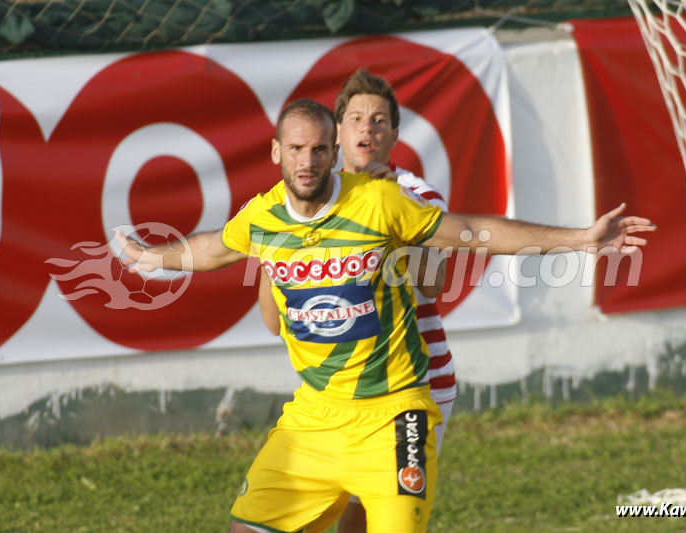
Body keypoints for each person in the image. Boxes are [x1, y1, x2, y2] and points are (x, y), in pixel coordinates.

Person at [117, 98, 655, 533]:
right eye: (297, 149)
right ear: (277, 151)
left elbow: (472, 232)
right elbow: (213, 248)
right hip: (314, 418)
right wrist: (152, 257)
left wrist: (579, 240)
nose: (308, 161)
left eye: (319, 149)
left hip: (394, 418)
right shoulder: (263, 216)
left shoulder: (380, 201)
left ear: (334, 153)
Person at [256, 69, 456, 533]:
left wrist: (391, 205)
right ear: (336, 134)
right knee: (340, 507)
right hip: (341, 392)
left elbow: (433, 284)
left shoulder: (416, 194)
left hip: (414, 383)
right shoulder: (304, 201)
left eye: (380, 120)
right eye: (356, 118)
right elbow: (272, 321)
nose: (368, 129)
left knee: (371, 509)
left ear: (395, 135)